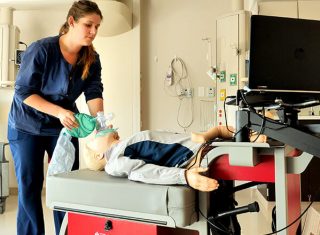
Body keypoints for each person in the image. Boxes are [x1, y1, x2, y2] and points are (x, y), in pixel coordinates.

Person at [7, 1, 104, 235]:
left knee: (66, 187)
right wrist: (59, 111)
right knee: (30, 187)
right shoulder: (41, 50)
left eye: (97, 27)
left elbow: (93, 92)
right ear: (71, 22)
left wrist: (102, 127)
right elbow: (23, 92)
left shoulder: (92, 58)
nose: (93, 32)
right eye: (88, 25)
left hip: (63, 129)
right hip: (26, 126)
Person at [83, 126, 247, 192]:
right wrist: (184, 176)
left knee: (233, 134)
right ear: (99, 154)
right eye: (94, 139)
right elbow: (143, 172)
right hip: (197, 155)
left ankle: (240, 132)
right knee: (249, 145)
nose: (98, 133)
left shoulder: (122, 146)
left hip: (199, 146)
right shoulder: (114, 163)